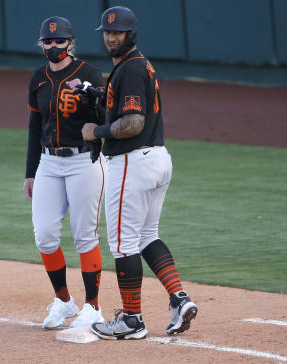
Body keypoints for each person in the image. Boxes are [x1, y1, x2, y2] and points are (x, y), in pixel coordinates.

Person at [80, 6, 198, 340]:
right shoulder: (138, 66)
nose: (110, 37)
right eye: (106, 32)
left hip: (133, 161)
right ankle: (179, 299)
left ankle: (132, 319)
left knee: (122, 244)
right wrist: (101, 97)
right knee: (147, 236)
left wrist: (97, 130)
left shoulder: (130, 69)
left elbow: (133, 123)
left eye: (117, 33)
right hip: (157, 158)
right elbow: (130, 108)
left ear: (131, 35)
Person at [23, 16, 106, 329]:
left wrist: (92, 103)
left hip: (83, 161)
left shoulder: (88, 73)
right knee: (44, 235)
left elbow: (104, 119)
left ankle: (93, 307)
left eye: (60, 41)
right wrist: (30, 173)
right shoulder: (38, 79)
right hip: (49, 163)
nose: (54, 45)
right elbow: (34, 128)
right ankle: (63, 301)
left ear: (71, 43)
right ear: (42, 43)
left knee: (84, 236)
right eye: (48, 41)